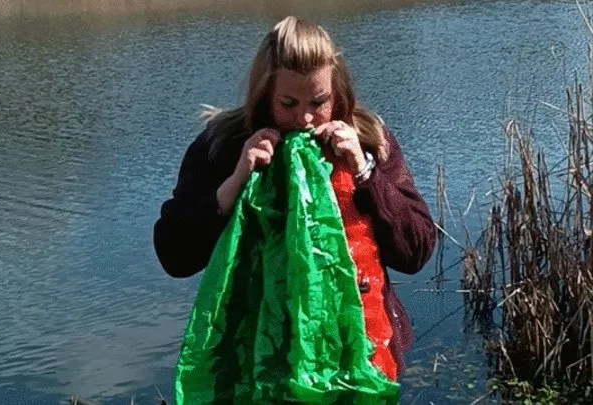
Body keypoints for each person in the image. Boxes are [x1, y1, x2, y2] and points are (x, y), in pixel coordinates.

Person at [152, 15, 437, 382]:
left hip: (362, 355)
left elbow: (416, 253)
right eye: (287, 103)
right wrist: (235, 181)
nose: (304, 119)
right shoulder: (221, 147)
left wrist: (365, 173)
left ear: (338, 91)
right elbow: (174, 256)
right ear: (263, 95)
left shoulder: (370, 140)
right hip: (256, 361)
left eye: (319, 102)